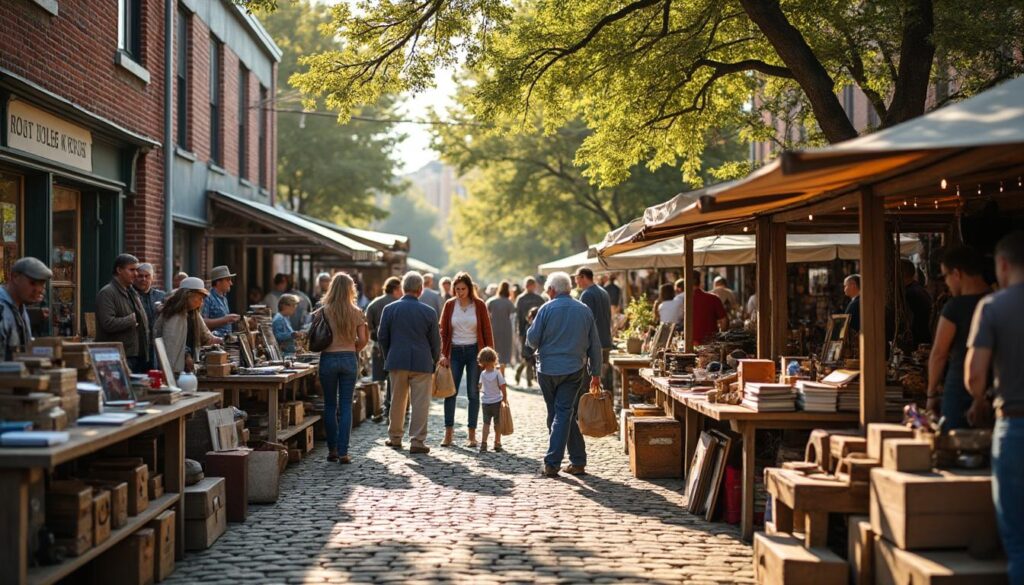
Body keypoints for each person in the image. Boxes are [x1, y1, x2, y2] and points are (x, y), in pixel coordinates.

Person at [965, 231, 1024, 583]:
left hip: (1015, 426)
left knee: (1018, 542)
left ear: (1002, 265)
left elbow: (975, 375)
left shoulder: (992, 307)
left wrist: (980, 400)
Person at [526, 271, 602, 477]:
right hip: (573, 369)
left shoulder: (546, 309)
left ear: (552, 290)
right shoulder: (583, 310)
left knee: (559, 414)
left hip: (548, 369)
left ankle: (552, 463)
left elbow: (532, 340)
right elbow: (595, 345)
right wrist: (596, 373)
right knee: (563, 413)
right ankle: (578, 460)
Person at [927, 245, 989, 429]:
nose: (946, 283)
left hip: (959, 389)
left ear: (957, 273)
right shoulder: (997, 301)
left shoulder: (955, 307)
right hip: (992, 390)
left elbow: (939, 353)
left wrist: (931, 393)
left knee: (953, 441)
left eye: (945, 276)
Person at [378, 271, 440, 454]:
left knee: (397, 400)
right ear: (420, 290)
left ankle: (395, 437)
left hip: (397, 359)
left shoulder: (389, 309)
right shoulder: (429, 312)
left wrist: (389, 355)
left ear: (403, 288)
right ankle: (417, 441)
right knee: (420, 403)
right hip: (422, 361)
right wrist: (434, 360)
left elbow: (382, 337)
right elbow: (435, 341)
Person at [317, 273, 369, 463]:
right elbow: (363, 340)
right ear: (350, 289)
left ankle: (332, 450)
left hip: (328, 358)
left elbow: (314, 335)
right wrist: (352, 349)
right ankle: (343, 451)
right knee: (346, 405)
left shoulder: (324, 311)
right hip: (348, 358)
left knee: (330, 405)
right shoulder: (356, 311)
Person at [439, 272, 494, 448]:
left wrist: (490, 357)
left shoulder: (479, 305)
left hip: (474, 352)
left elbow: (487, 331)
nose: (460, 292)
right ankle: (448, 433)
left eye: (463, 289)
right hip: (454, 351)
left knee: (473, 393)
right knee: (450, 392)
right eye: (457, 289)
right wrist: (443, 354)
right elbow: (443, 332)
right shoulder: (449, 305)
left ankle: (472, 435)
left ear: (469, 288)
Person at [153, 277, 222, 375]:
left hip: (186, 367)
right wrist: (186, 355)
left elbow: (205, 335)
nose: (201, 302)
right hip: (174, 369)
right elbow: (172, 344)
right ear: (188, 296)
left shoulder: (193, 313)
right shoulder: (174, 314)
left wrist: (220, 340)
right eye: (199, 298)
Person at [96, 254, 151, 373]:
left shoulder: (132, 291)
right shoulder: (107, 293)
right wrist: (131, 320)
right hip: (119, 357)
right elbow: (107, 323)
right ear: (119, 270)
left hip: (137, 355)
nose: (136, 274)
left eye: (136, 270)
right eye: (131, 270)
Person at [0, 257, 51, 360]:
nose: (39, 289)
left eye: (42, 284)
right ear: (15, 277)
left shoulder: (20, 307)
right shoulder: (2, 309)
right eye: (32, 283)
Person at [365, 276, 402, 418]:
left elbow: (367, 326)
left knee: (379, 380)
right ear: (396, 289)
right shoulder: (399, 304)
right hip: (397, 345)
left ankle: (378, 408)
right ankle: (391, 407)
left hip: (378, 345)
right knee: (394, 379)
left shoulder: (374, 304)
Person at [576, 267, 612, 390]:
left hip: (593, 344)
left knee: (589, 383)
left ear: (583, 277)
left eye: (577, 278)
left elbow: (585, 323)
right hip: (605, 340)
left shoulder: (587, 294)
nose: (576, 282)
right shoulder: (604, 292)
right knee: (604, 381)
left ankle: (590, 403)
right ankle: (607, 402)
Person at [514, 277, 545, 385]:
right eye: (529, 285)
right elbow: (518, 316)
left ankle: (523, 374)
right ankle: (528, 379)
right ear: (526, 286)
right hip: (525, 330)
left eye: (532, 285)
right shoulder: (521, 299)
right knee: (527, 355)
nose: (531, 287)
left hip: (538, 329)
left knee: (533, 355)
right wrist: (519, 331)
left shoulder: (539, 298)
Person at [477, 346, 508, 453]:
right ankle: (497, 442)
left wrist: (480, 388)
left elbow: (479, 386)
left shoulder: (482, 374)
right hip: (496, 402)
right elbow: (503, 386)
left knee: (486, 423)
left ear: (481, 361)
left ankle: (483, 443)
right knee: (497, 423)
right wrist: (504, 398)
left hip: (485, 402)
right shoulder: (497, 373)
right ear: (494, 359)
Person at [134, 263, 166, 365]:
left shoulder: (161, 296)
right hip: (137, 347)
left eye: (147, 276)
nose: (143, 279)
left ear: (152, 278)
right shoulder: (129, 295)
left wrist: (165, 311)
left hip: (156, 346)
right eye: (140, 276)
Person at [686, 271, 727, 345]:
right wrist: (719, 337)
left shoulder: (684, 300)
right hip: (711, 344)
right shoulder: (713, 298)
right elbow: (724, 321)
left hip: (690, 344)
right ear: (700, 281)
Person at [901, 259, 934, 348]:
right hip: (925, 338)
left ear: (902, 273)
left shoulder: (910, 293)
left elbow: (909, 320)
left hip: (917, 342)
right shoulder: (919, 289)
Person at [202, 265, 240, 338]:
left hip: (225, 340)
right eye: (228, 280)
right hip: (214, 341)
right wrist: (224, 320)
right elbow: (202, 322)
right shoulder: (207, 297)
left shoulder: (224, 297)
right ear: (218, 282)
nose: (231, 283)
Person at [486, 281, 516, 371]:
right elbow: (513, 315)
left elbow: (487, 314)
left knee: (495, 349)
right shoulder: (509, 302)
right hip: (506, 329)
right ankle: (502, 373)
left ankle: (494, 371)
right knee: (504, 351)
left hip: (493, 328)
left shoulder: (491, 301)